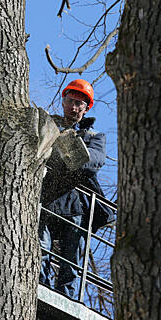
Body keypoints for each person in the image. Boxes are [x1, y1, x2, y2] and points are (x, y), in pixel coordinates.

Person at [39, 79, 115, 299]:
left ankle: (68, 298)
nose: (74, 108)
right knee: (40, 252)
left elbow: (94, 162)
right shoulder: (50, 128)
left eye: (79, 104)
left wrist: (66, 155)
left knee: (71, 262)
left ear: (86, 108)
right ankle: (40, 288)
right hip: (47, 201)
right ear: (64, 102)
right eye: (71, 101)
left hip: (75, 206)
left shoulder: (93, 137)